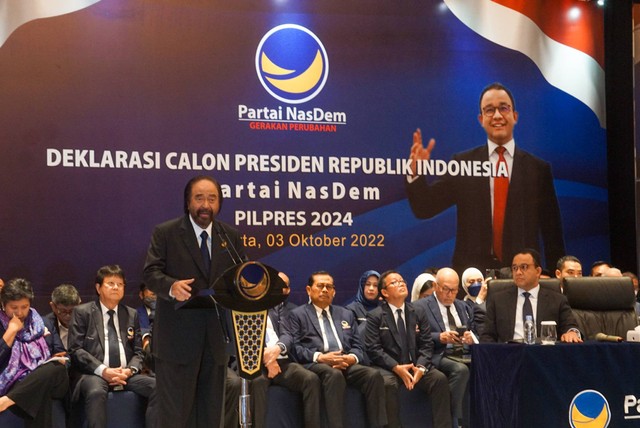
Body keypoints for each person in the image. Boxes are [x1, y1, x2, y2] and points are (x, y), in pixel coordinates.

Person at [406, 82, 565, 273]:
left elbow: (552, 232)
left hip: (522, 275)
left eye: (503, 108)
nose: (497, 115)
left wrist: (555, 277)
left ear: (515, 116)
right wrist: (415, 173)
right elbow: (425, 208)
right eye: (489, 110)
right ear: (481, 119)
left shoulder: (538, 169)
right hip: (471, 276)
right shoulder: (463, 163)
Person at [143, 175, 246, 428]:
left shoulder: (229, 236)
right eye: (199, 198)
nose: (205, 205)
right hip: (176, 342)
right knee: (176, 418)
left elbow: (241, 274)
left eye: (212, 199)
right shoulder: (166, 233)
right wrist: (171, 286)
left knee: (211, 417)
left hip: (215, 342)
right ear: (188, 202)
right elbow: (150, 273)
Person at [283, 271, 387, 428]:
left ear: (334, 291)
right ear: (309, 290)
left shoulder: (345, 313)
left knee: (373, 375)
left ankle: (379, 425)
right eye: (320, 286)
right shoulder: (297, 315)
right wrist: (320, 357)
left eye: (329, 286)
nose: (325, 290)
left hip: (345, 361)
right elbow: (295, 348)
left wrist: (352, 357)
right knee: (333, 374)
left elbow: (358, 345)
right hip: (317, 363)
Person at [68, 265, 156, 428]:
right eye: (110, 283)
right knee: (96, 392)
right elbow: (75, 350)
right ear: (98, 287)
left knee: (158, 387)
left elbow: (139, 351)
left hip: (126, 373)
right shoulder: (82, 312)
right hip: (94, 373)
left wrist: (130, 370)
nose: (116, 287)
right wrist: (103, 370)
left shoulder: (131, 314)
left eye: (120, 284)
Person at [364, 270, 452, 428]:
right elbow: (373, 349)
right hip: (390, 367)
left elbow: (427, 344)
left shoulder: (418, 312)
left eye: (402, 280)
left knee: (439, 379)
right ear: (384, 292)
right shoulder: (375, 316)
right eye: (395, 282)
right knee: (388, 384)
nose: (401, 283)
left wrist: (421, 367)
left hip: (415, 365)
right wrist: (396, 367)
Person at [249, 273, 321, 428]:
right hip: (256, 362)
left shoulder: (278, 307)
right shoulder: (247, 306)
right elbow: (248, 338)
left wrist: (278, 349)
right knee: (258, 381)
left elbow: (287, 335)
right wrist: (269, 361)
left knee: (310, 379)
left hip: (282, 360)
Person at [0, 278, 69, 428]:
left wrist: (55, 358)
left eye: (24, 307)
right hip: (18, 382)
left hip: (53, 378)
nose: (19, 313)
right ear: (3, 305)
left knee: (55, 367)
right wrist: (10, 332)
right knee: (38, 390)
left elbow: (61, 352)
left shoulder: (43, 322)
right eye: (14, 307)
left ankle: (7, 401)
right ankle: (14, 397)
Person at [414, 268, 477, 428]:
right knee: (461, 370)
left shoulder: (462, 306)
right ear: (436, 286)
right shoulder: (420, 307)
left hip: (463, 351)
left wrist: (471, 338)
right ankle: (455, 420)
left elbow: (474, 329)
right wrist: (439, 337)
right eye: (446, 289)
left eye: (454, 290)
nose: (450, 294)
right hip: (438, 353)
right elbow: (414, 336)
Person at [480, 249, 582, 343]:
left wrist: (572, 332)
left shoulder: (557, 300)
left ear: (538, 271)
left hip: (544, 356)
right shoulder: (498, 300)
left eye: (524, 267)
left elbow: (570, 326)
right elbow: (487, 336)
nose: (518, 272)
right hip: (509, 355)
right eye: (515, 268)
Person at [45, 283, 82, 351]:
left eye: (72, 311)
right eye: (63, 311)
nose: (68, 316)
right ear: (53, 306)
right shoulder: (46, 325)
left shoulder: (87, 321)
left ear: (79, 305)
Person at [346, 270, 381, 334]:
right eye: (367, 284)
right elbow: (354, 336)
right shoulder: (351, 310)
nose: (371, 288)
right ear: (362, 287)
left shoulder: (384, 308)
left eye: (375, 285)